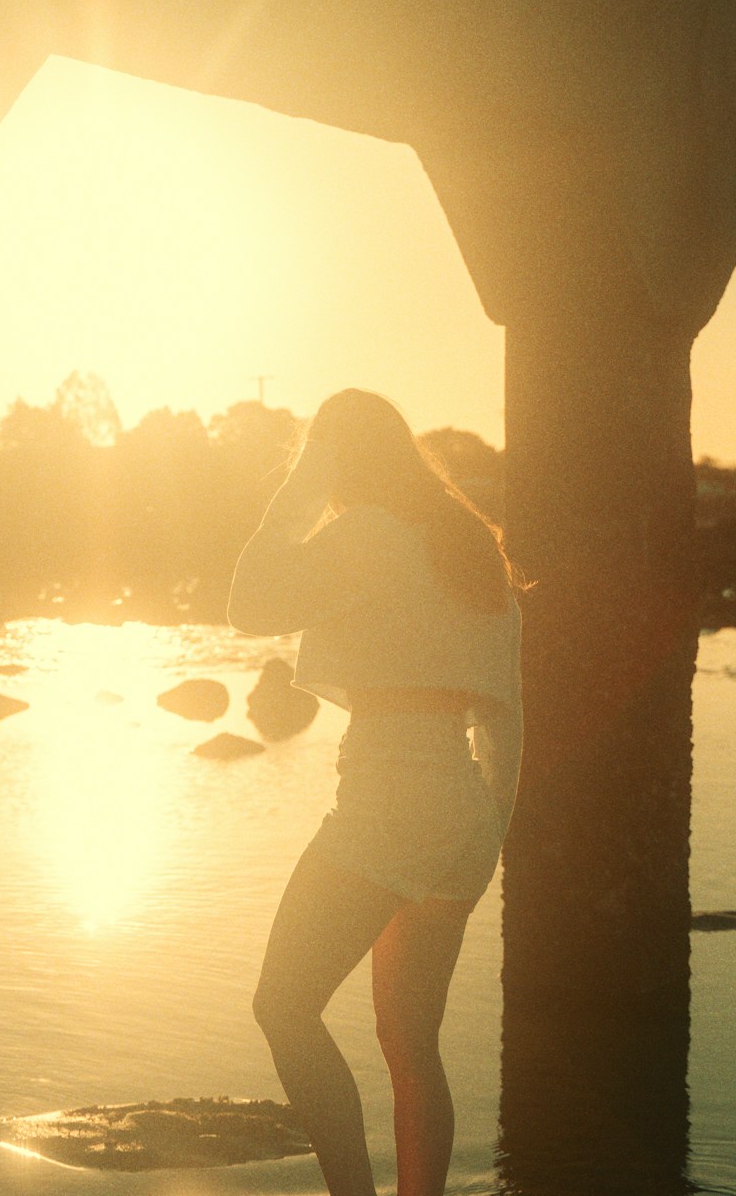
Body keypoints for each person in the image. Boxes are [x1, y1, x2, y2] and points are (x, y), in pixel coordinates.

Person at [228, 388, 524, 1196]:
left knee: (283, 1007)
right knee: (410, 1043)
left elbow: (245, 601)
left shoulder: (368, 535)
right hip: (463, 810)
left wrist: (296, 491)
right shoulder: (473, 552)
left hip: (386, 806)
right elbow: (506, 720)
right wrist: (488, 833)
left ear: (336, 458)